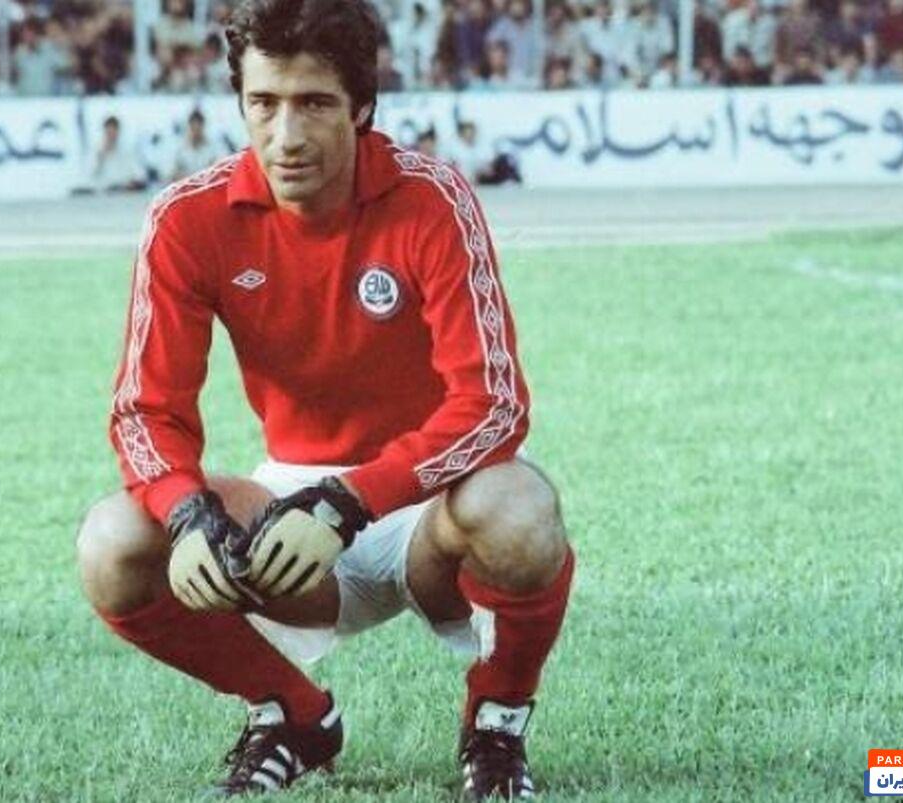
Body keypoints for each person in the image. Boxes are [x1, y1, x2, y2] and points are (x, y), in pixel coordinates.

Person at [75, 0, 573, 798]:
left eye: (313, 103)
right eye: (263, 103)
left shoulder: (431, 197)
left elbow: (493, 404)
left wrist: (348, 501)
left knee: (520, 507)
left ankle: (496, 723)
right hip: (285, 513)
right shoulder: (186, 218)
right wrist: (187, 512)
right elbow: (146, 412)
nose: (286, 135)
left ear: (363, 106)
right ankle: (293, 714)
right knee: (112, 540)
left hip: (425, 510)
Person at [170, 109, 228, 180]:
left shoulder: (213, 149)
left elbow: (219, 170)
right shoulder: (180, 149)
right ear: (189, 127)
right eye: (193, 128)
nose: (195, 132)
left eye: (198, 128)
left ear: (202, 127)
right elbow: (173, 174)